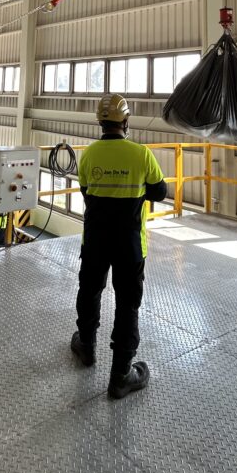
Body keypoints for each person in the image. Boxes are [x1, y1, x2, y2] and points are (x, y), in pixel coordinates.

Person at [71, 94, 167, 400]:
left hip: (95, 240)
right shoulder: (141, 154)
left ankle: (86, 347)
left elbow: (87, 192)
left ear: (100, 122)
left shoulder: (88, 155)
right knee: (128, 304)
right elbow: (161, 192)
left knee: (89, 291)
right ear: (126, 122)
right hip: (129, 245)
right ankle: (121, 375)